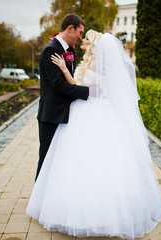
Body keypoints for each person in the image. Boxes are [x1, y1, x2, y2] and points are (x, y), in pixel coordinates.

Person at [26, 30, 161, 239]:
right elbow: (80, 86)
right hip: (91, 110)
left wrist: (65, 70)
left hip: (90, 111)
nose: (83, 40)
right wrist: (65, 68)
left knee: (89, 159)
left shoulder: (95, 64)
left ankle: (88, 211)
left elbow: (81, 87)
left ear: (94, 45)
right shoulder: (92, 62)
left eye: (87, 38)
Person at [36, 13, 90, 181]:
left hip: (65, 112)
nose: (81, 38)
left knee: (60, 158)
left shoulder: (69, 51)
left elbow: (70, 78)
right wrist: (86, 92)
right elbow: (57, 84)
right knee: (46, 157)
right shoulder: (50, 50)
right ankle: (39, 199)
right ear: (69, 28)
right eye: (80, 33)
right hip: (51, 114)